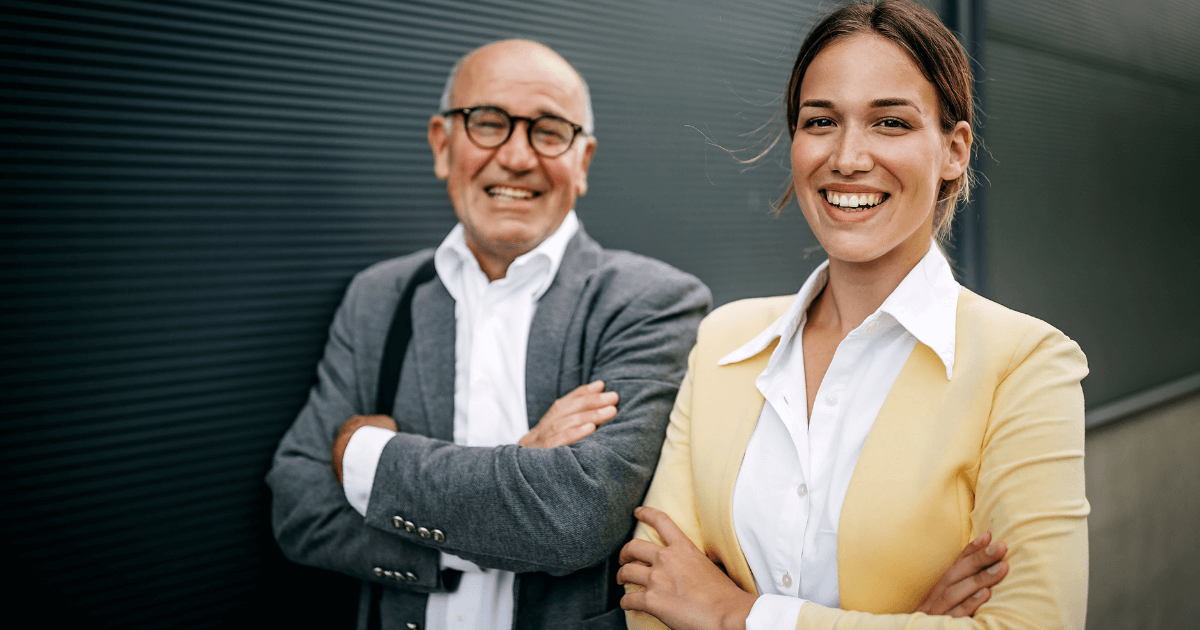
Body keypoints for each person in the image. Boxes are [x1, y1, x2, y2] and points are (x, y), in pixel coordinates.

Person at [617, 2, 1089, 629]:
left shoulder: (1024, 365)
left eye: (890, 122)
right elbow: (651, 597)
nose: (847, 157)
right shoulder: (726, 340)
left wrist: (740, 615)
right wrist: (904, 618)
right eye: (821, 121)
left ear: (953, 150)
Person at [265, 39, 712, 630]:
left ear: (582, 159)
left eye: (549, 131)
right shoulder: (379, 297)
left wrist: (363, 456)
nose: (518, 157)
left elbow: (575, 518)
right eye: (489, 123)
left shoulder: (652, 302)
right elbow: (298, 506)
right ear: (442, 144)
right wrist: (520, 470)